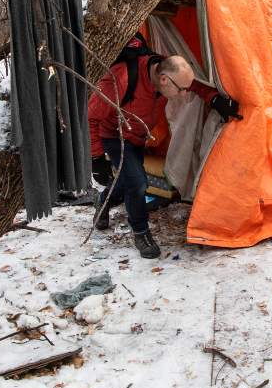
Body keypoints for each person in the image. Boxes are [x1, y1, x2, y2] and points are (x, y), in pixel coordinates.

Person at [88, 37, 241, 258]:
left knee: (127, 179)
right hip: (115, 135)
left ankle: (102, 203)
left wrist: (215, 99)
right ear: (164, 80)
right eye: (181, 90)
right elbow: (90, 117)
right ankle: (141, 232)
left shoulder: (164, 71)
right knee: (138, 183)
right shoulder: (120, 80)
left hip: (138, 136)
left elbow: (193, 84)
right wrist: (96, 158)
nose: (184, 94)